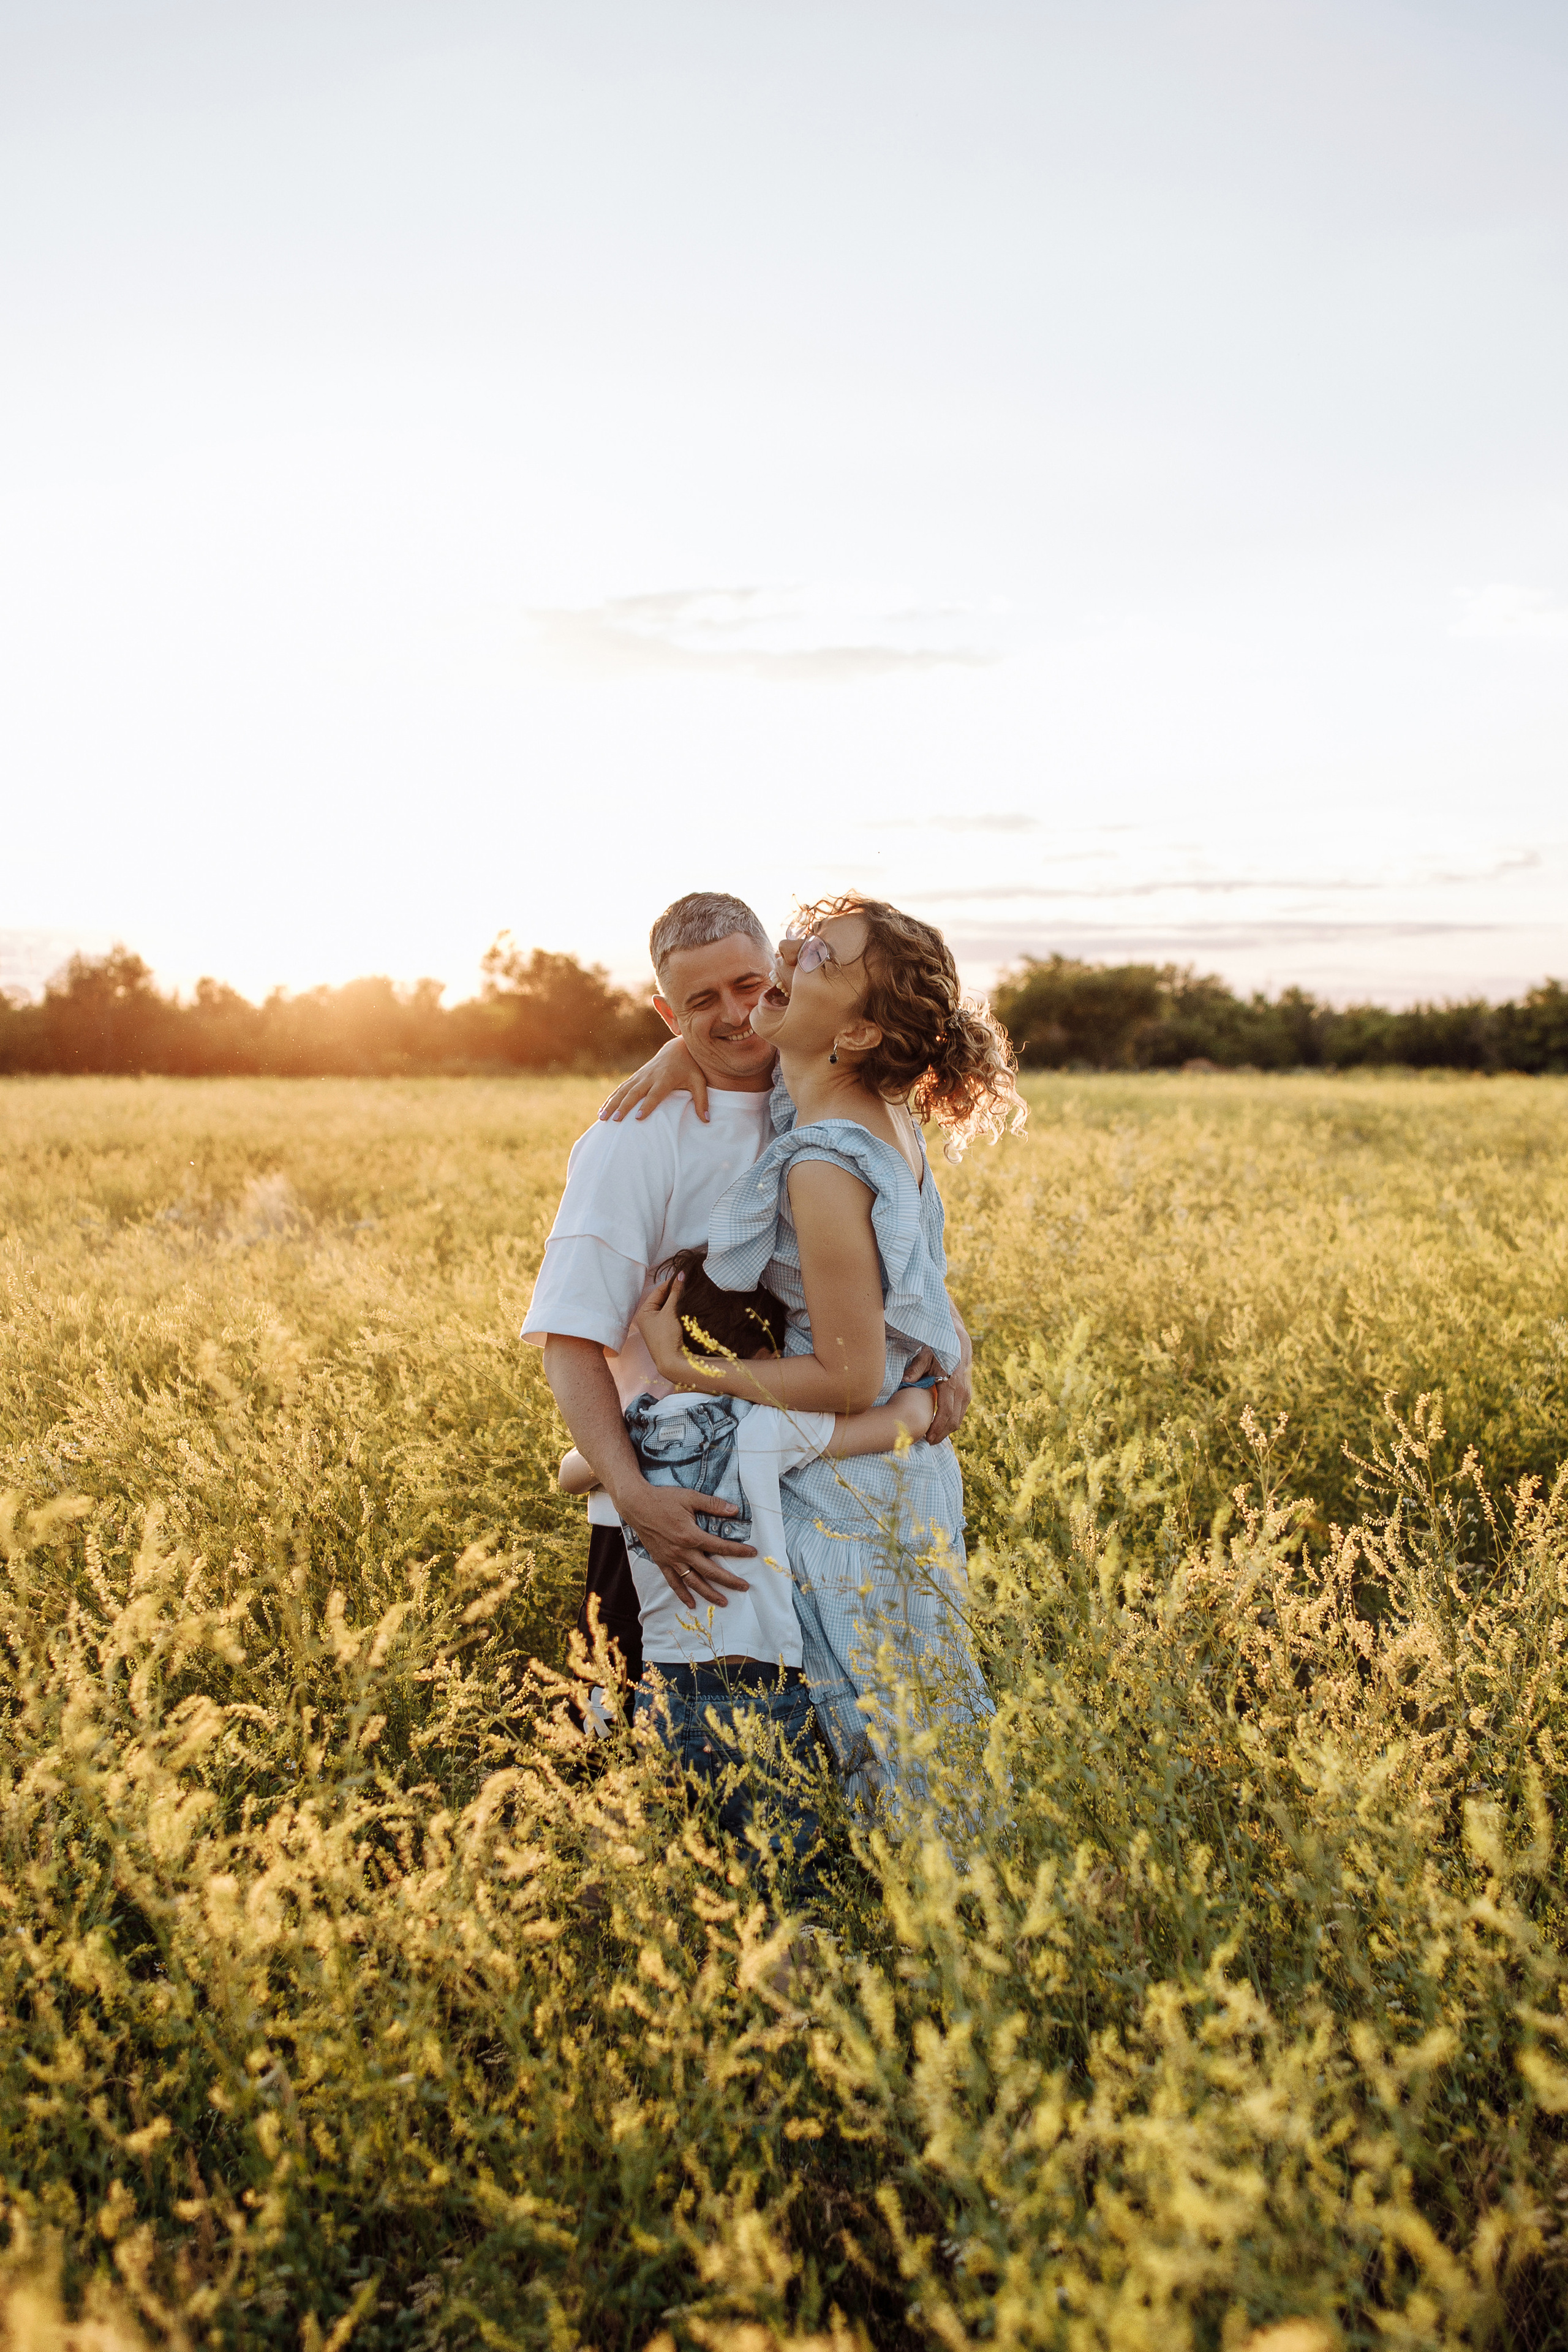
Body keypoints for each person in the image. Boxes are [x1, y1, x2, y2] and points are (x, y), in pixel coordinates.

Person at [524, 890, 976, 1711]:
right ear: (668, 1014)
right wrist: (629, 1494)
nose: (736, 1016)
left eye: (747, 985)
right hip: (671, 1520)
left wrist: (950, 1347)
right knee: (639, 1769)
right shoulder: (633, 1139)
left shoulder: (812, 1100)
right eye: (701, 1004)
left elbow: (894, 1257)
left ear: (776, 977)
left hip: (799, 1502)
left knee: (806, 1771)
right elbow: (568, 1339)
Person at [631, 892, 1026, 1808]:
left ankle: (938, 1928)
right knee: (925, 1712)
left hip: (853, 1484)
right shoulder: (852, 1097)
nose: (794, 952)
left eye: (822, 959)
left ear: (853, 1034)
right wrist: (669, 1048)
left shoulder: (823, 1158)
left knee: (889, 1736)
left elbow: (848, 1376)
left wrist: (688, 1370)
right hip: (898, 1461)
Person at [557, 1246, 935, 1893]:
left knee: (686, 1878)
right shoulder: (764, 1425)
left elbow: (569, 1472)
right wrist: (927, 1386)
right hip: (760, 1694)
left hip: (663, 1694)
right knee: (788, 1884)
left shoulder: (632, 1434)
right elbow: (903, 1423)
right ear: (767, 1356)